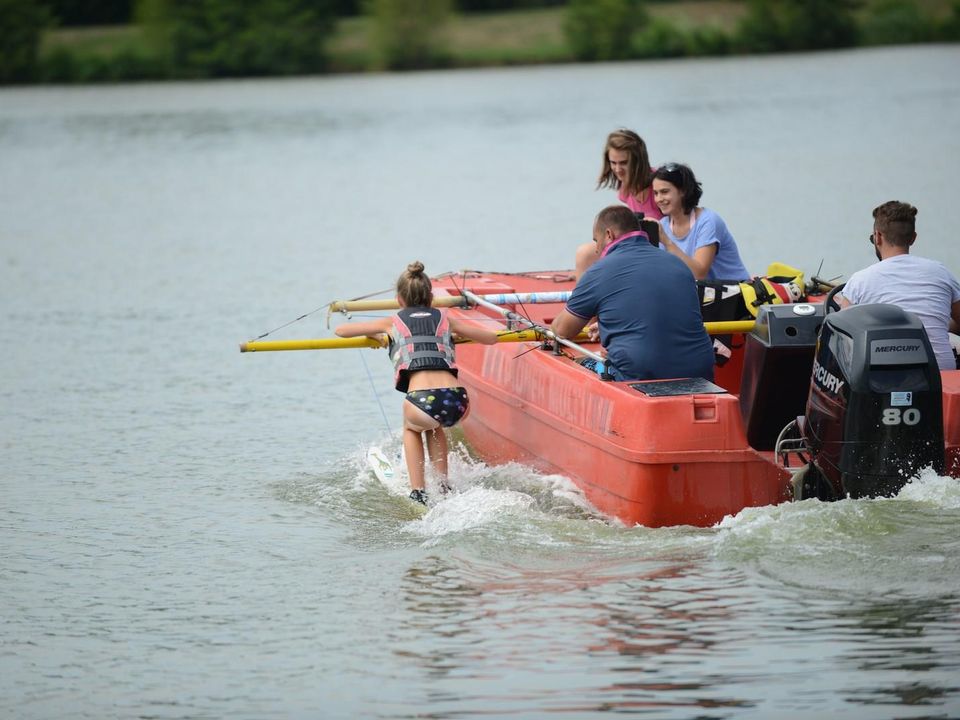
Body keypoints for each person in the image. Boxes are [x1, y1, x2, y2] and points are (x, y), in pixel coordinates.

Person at [335, 261, 499, 504]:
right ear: (431, 297)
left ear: (400, 299)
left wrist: (379, 336)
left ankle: (418, 491)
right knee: (434, 426)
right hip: (458, 400)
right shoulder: (446, 319)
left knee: (411, 427)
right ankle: (444, 486)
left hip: (423, 401)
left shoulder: (393, 322)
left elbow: (341, 330)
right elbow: (491, 338)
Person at [552, 205, 716, 382]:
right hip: (699, 370)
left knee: (579, 362)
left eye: (596, 240)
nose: (597, 249)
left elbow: (562, 331)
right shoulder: (678, 264)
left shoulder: (598, 272)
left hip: (638, 373)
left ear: (609, 235)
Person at [838, 201, 960, 371]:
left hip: (883, 380)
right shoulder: (942, 273)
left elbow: (843, 340)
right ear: (913, 238)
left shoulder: (859, 281)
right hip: (940, 377)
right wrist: (938, 323)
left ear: (878, 237)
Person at [575, 129, 664, 280]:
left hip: (659, 251)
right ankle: (583, 299)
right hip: (638, 248)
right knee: (585, 254)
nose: (617, 169)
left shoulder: (659, 186)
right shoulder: (625, 190)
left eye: (623, 163)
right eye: (613, 163)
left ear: (637, 161)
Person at [652, 163, 750, 282]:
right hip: (702, 295)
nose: (659, 199)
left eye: (664, 192)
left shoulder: (708, 221)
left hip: (734, 294)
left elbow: (698, 274)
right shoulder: (664, 225)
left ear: (683, 191)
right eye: (656, 193)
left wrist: (667, 242)